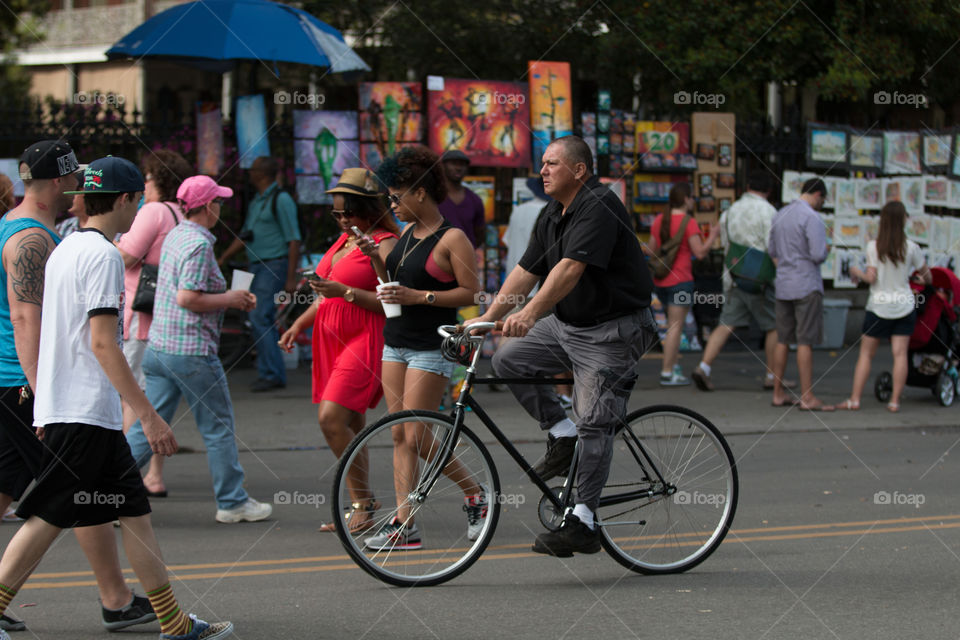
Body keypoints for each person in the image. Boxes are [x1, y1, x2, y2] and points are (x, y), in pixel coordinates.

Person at [0, 156, 233, 640]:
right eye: (138, 201)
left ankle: (172, 622)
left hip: (81, 409)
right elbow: (103, 342)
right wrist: (148, 416)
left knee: (133, 512)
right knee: (49, 516)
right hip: (85, 411)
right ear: (125, 199)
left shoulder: (65, 248)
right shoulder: (103, 255)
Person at [469, 135, 658, 557]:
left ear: (579, 170)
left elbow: (570, 269)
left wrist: (530, 314)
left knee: (594, 419)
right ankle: (561, 433)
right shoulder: (552, 213)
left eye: (553, 163)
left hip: (614, 330)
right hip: (569, 324)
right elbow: (524, 271)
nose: (544, 170)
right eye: (543, 163)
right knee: (509, 360)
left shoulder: (600, 203)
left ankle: (584, 519)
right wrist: (484, 321)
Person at [0, 142, 157, 634]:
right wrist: (40, 396)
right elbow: (32, 319)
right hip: (37, 389)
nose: (75, 194)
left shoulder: (56, 240)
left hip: (65, 397)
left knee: (100, 499)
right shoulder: (37, 240)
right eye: (70, 182)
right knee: (49, 507)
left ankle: (129, 604)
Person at [125, 175, 273, 524]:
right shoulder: (199, 244)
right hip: (191, 351)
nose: (220, 207)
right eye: (218, 201)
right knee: (218, 427)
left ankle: (106, 491)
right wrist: (232, 298)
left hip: (160, 347)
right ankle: (232, 501)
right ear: (208, 207)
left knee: (146, 427)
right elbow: (188, 297)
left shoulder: (176, 234)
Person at [359, 145, 485, 551]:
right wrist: (375, 261)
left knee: (416, 436)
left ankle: (476, 494)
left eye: (397, 196)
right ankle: (405, 524)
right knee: (400, 435)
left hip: (431, 346)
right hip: (395, 343)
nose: (392, 204)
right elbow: (392, 292)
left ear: (420, 193)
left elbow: (470, 292)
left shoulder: (452, 238)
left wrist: (422, 297)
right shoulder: (404, 237)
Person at [278, 169, 399, 533]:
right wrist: (299, 323)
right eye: (337, 214)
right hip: (331, 338)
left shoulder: (385, 241)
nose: (343, 220)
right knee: (349, 423)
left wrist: (342, 292)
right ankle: (362, 503)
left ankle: (363, 501)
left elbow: (390, 302)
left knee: (331, 419)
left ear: (369, 210)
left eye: (349, 213)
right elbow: (324, 293)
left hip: (366, 336)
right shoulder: (342, 242)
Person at [116, 149, 193, 498]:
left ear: (157, 179)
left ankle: (124, 473)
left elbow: (127, 255)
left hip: (139, 313)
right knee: (156, 399)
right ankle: (153, 474)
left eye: (146, 178)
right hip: (166, 318)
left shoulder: (153, 212)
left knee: (131, 396)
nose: (143, 185)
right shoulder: (182, 213)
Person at [691, 171, 794, 391]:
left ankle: (703, 367)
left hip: (734, 277)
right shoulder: (769, 212)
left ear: (747, 186)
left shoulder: (729, 211)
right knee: (774, 327)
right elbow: (773, 248)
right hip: (760, 280)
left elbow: (726, 244)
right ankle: (771, 376)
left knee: (725, 324)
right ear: (768, 190)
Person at [838, 201, 931, 412]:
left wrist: (855, 272)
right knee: (900, 355)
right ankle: (895, 401)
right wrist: (917, 278)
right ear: (903, 220)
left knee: (865, 355)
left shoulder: (873, 246)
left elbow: (871, 277)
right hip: (905, 306)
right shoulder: (912, 247)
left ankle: (855, 399)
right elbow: (928, 277)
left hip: (878, 306)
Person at [219, 156, 300, 392]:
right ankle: (268, 370)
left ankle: (273, 373)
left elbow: (294, 239)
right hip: (255, 265)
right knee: (253, 316)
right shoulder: (257, 201)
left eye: (253, 170)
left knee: (260, 317)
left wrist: (290, 278)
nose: (249, 174)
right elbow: (246, 235)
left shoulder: (281, 200)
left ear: (262, 174)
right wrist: (223, 258)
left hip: (274, 265)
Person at [644, 182, 720, 386]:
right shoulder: (689, 222)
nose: (693, 200)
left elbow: (650, 251)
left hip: (660, 281)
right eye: (692, 197)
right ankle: (668, 372)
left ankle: (672, 367)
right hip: (682, 281)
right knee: (675, 327)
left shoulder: (660, 220)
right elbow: (700, 253)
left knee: (671, 325)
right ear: (686, 199)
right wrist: (712, 236)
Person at [768, 177, 832, 410]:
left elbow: (772, 250)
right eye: (823, 200)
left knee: (783, 340)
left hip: (784, 284)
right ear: (817, 195)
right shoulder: (812, 217)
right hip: (806, 284)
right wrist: (827, 249)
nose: (821, 204)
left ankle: (777, 393)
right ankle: (807, 396)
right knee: (805, 341)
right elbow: (817, 254)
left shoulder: (779, 214)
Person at [438, 149, 485, 248]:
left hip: (466, 259)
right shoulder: (434, 197)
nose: (458, 168)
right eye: (454, 163)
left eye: (462, 164)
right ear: (443, 166)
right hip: (437, 258)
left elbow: (480, 234)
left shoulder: (475, 200)